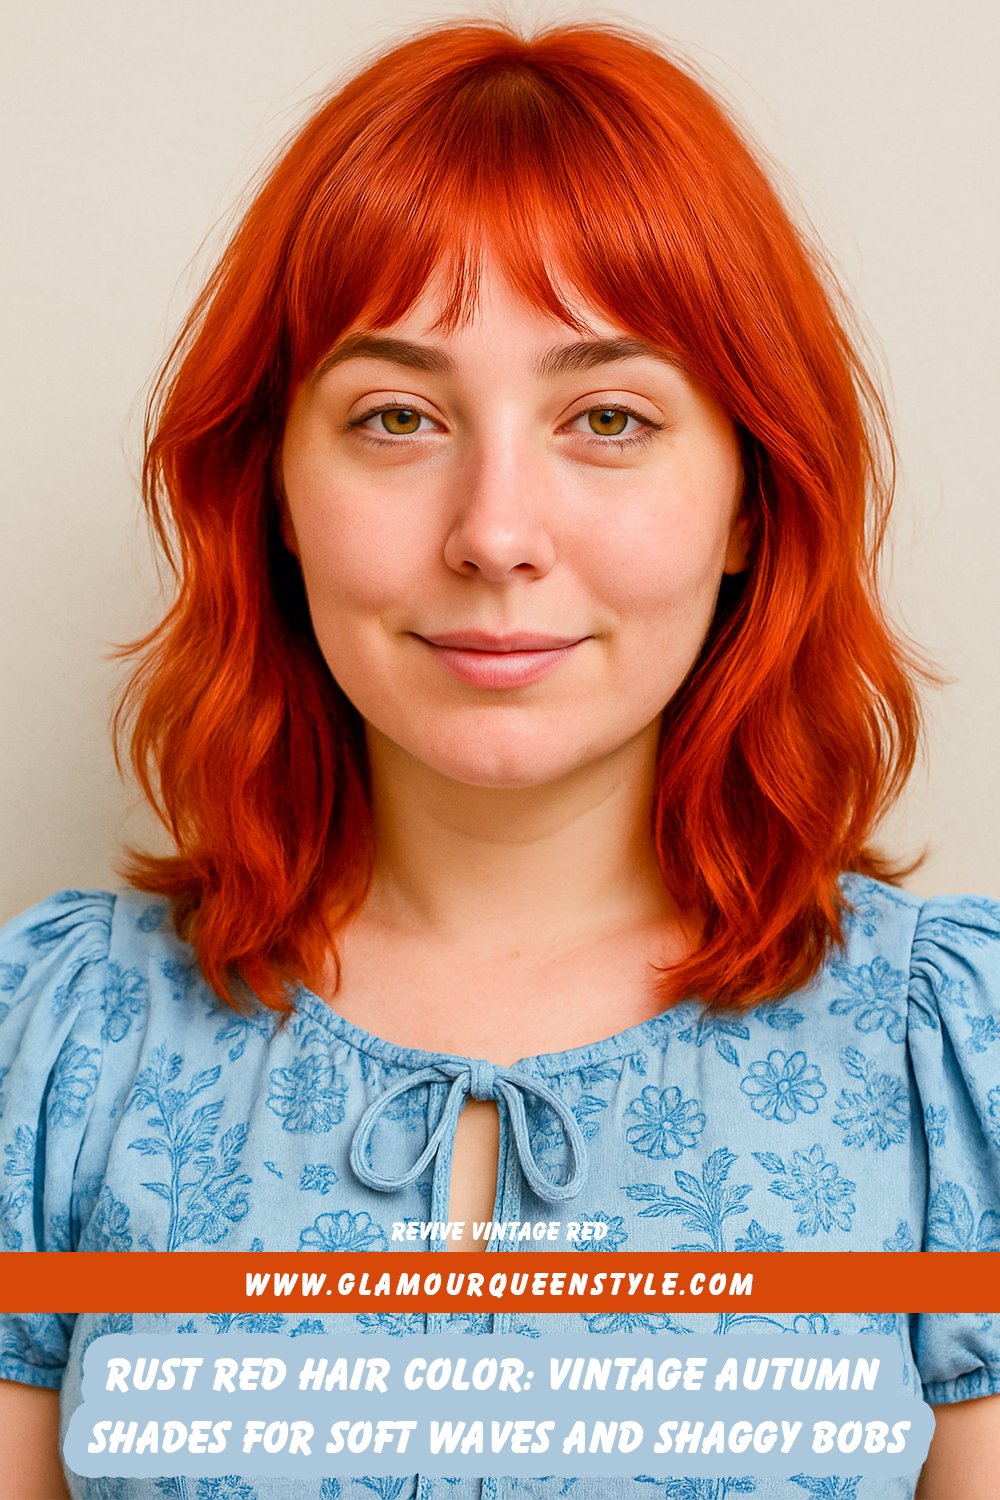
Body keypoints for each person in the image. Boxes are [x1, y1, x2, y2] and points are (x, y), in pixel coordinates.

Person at [0, 17, 997, 1500]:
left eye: (609, 418)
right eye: (396, 417)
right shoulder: (62, 1046)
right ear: (270, 487)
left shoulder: (948, 1058)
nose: (495, 533)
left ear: (749, 502)